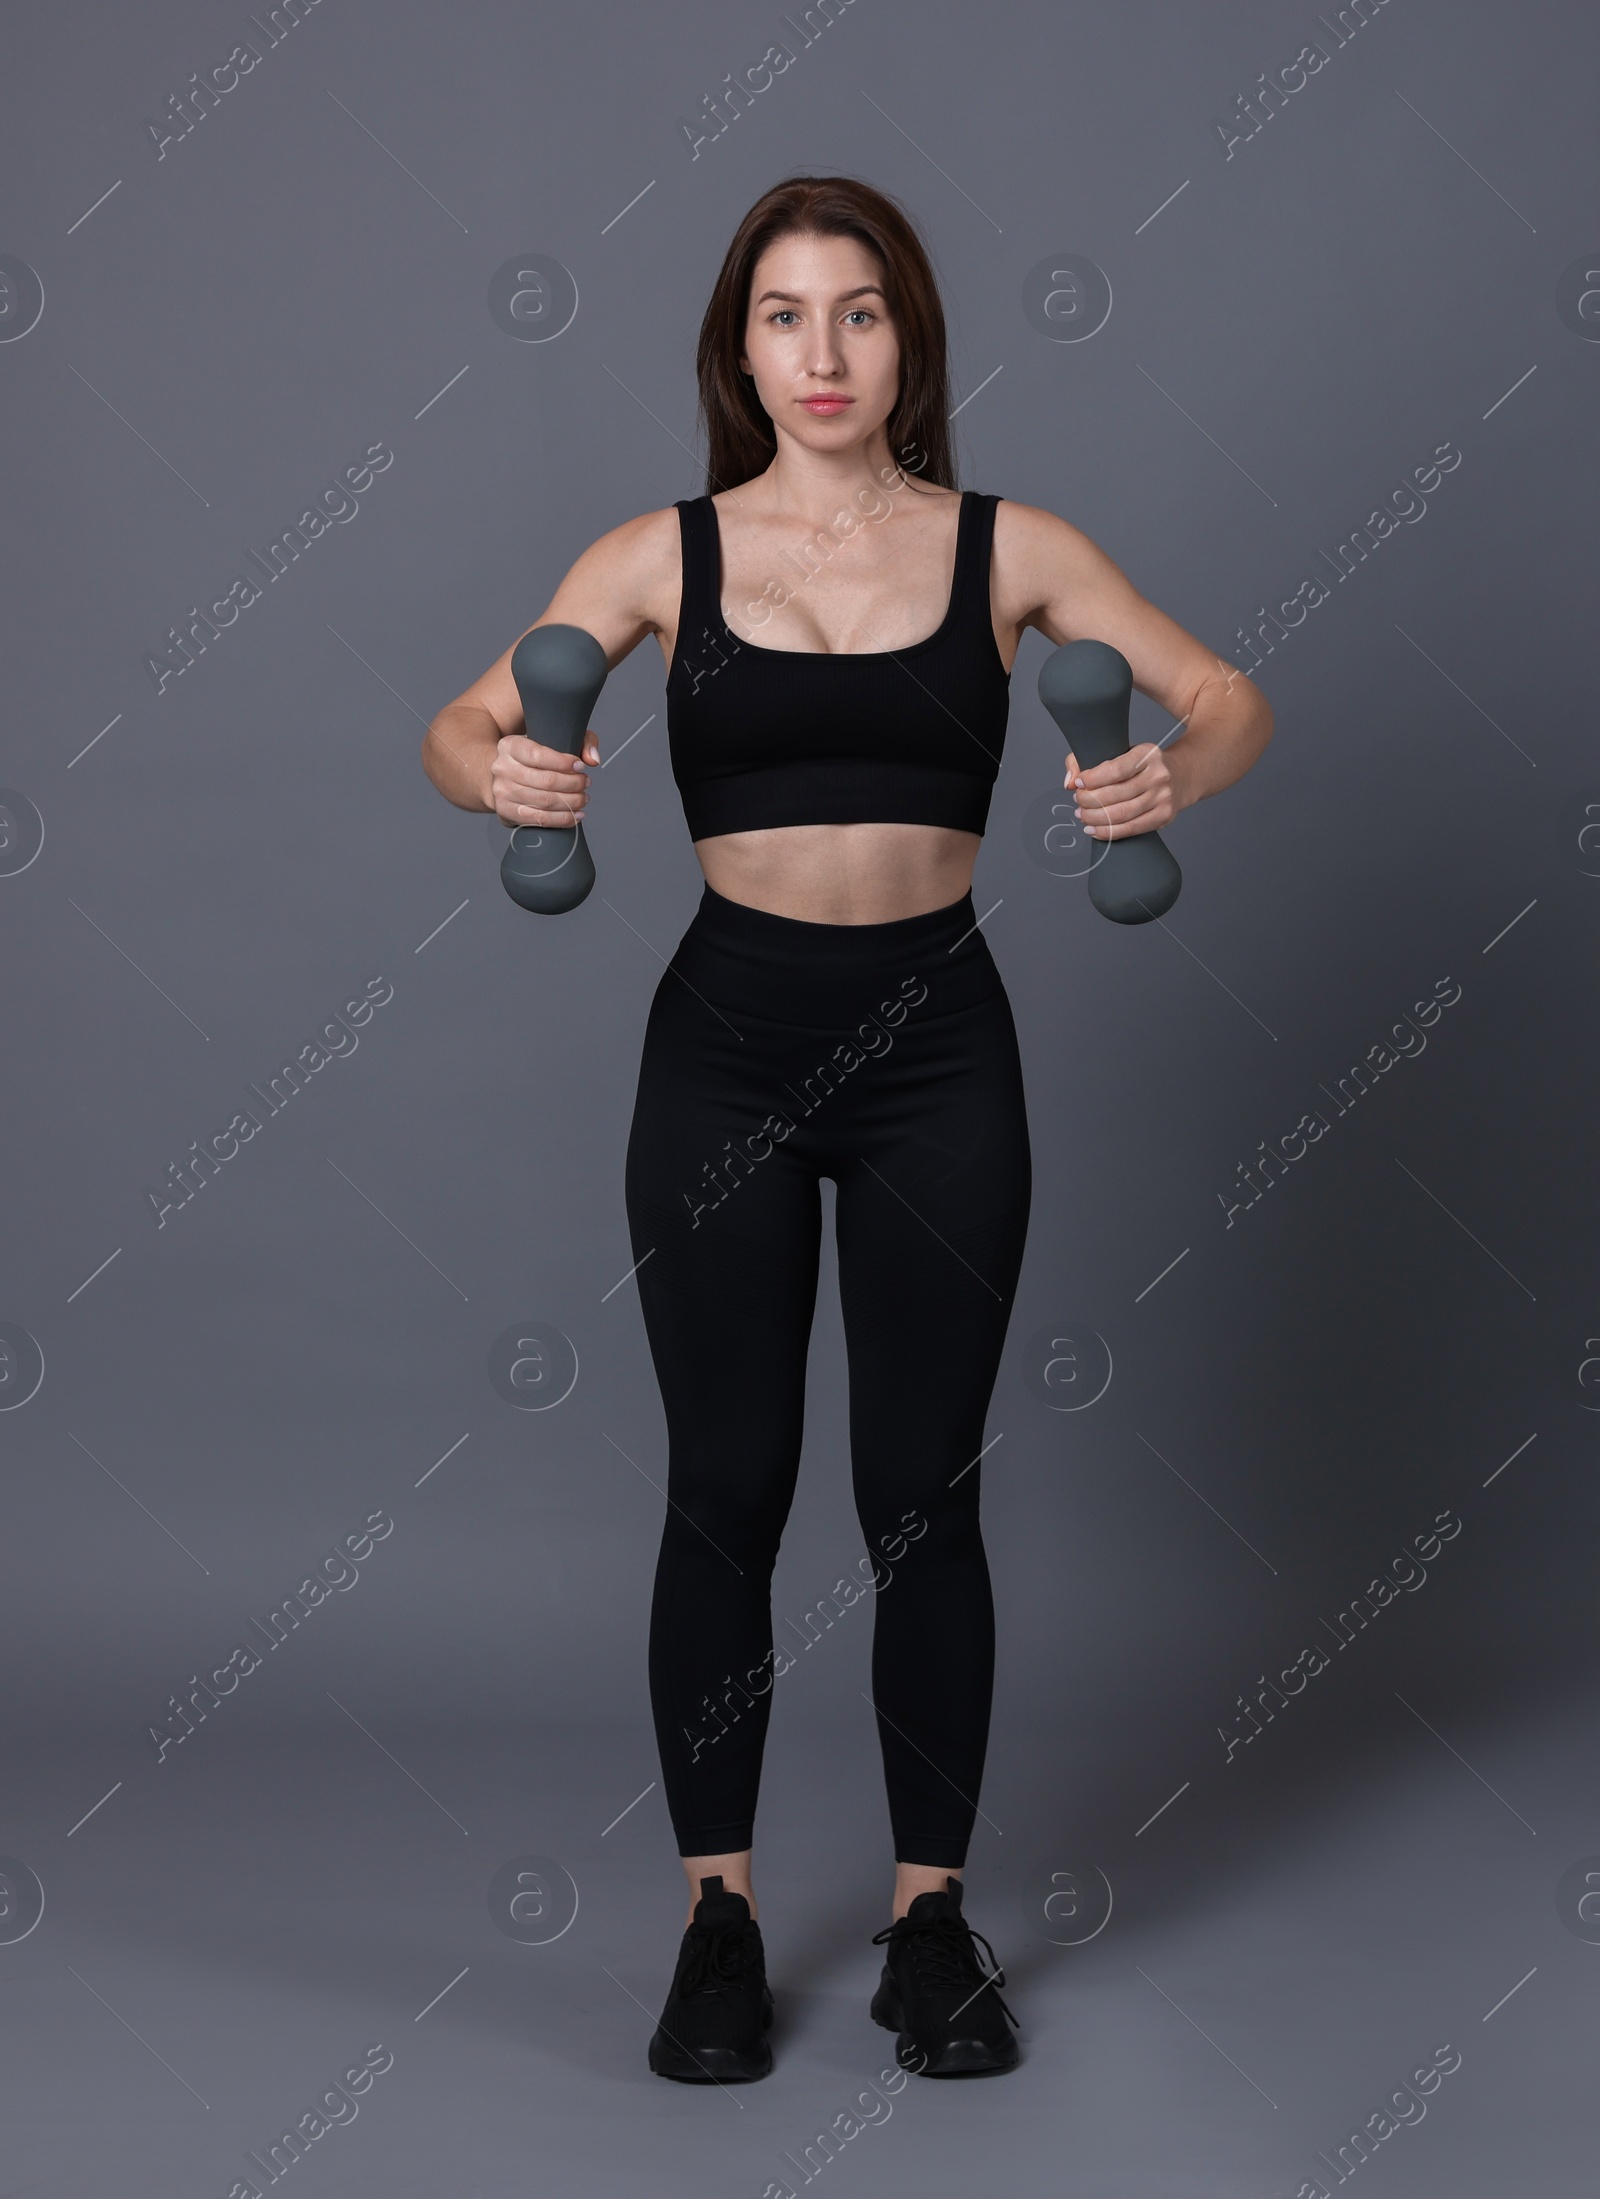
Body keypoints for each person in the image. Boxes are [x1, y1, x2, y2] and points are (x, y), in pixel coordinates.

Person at [421, 174, 1273, 2085]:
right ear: (740, 348)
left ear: (912, 342)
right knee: (725, 1486)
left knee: (923, 1492)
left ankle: (927, 1923)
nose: (824, 352)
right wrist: (511, 773)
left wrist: (1162, 773)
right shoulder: (658, 556)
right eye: (787, 316)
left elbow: (1228, 698)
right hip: (721, 1048)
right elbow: (459, 728)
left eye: (861, 312)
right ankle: (717, 1924)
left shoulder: (1006, 547)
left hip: (935, 1053)